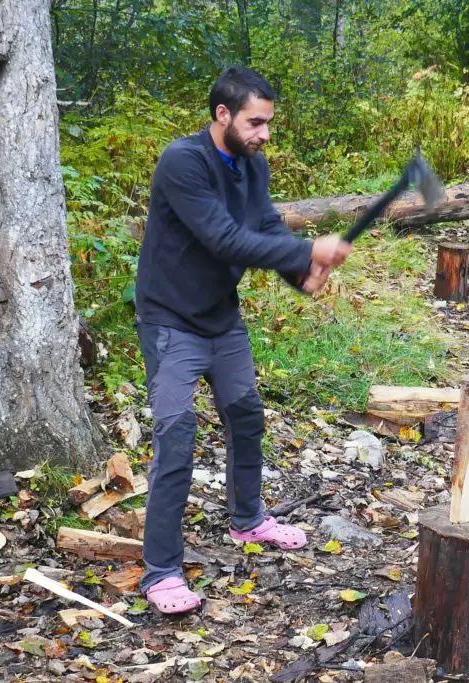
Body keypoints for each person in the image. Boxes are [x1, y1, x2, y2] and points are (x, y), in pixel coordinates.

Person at [133, 66, 352, 614]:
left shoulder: (253, 167)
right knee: (177, 439)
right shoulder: (183, 162)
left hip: (221, 317)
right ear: (222, 115)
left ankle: (248, 521)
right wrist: (308, 252)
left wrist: (297, 271)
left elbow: (266, 229)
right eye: (256, 122)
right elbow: (222, 238)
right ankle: (161, 572)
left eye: (269, 123)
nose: (265, 134)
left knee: (247, 414)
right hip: (170, 320)